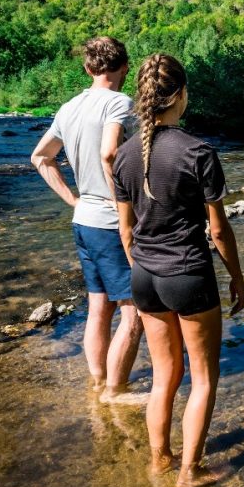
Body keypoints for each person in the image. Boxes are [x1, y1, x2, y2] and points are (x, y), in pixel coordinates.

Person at [112, 53, 244, 487]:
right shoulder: (199, 152)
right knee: (204, 377)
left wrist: (143, 268)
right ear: (181, 95)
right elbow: (219, 231)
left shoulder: (124, 155)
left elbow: (126, 229)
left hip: (145, 278)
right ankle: (190, 472)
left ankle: (160, 461)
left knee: (164, 376)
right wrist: (238, 278)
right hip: (187, 274)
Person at [31, 36, 144, 401]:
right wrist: (120, 204)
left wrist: (74, 200)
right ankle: (115, 390)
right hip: (112, 224)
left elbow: (40, 158)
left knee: (98, 308)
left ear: (87, 68)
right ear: (124, 67)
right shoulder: (120, 102)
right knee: (133, 315)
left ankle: (97, 383)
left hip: (84, 221)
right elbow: (109, 152)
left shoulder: (69, 107)